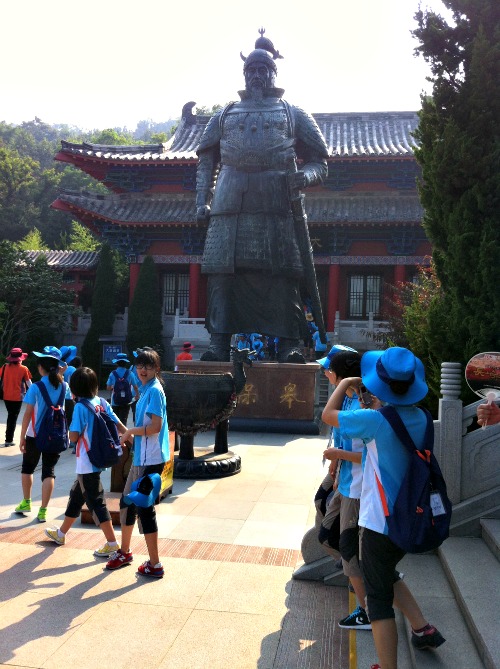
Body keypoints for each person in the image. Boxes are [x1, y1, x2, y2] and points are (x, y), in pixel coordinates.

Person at [196, 30, 328, 364]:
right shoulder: (224, 114)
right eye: (251, 70)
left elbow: (320, 161)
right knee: (223, 273)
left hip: (276, 202)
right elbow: (206, 161)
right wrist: (201, 200)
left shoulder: (292, 113)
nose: (257, 75)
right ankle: (219, 343)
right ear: (244, 74)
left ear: (273, 74)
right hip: (228, 203)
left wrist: (305, 176)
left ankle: (289, 345)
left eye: (263, 69)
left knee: (282, 274)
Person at [322, 347, 445, 669]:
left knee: (377, 600)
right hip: (414, 516)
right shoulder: (422, 417)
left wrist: (344, 383)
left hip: (381, 523)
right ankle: (422, 628)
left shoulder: (375, 421)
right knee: (384, 573)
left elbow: (328, 416)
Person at [315, 346, 372, 629]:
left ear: (340, 376)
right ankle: (365, 580)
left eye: (329, 370)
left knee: (348, 551)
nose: (325, 373)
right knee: (327, 536)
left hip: (359, 489)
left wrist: (338, 456)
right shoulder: (351, 402)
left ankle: (367, 610)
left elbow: (370, 456)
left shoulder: (362, 407)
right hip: (347, 484)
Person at [44, 366, 127, 555]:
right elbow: (117, 423)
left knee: (97, 503)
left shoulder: (80, 407)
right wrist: (130, 439)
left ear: (74, 389)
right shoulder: (101, 402)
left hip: (87, 463)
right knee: (76, 498)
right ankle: (61, 533)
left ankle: (112, 543)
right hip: (96, 459)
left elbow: (73, 436)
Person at [106, 348, 169, 578]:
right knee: (126, 503)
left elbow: (155, 427)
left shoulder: (154, 391)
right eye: (140, 366)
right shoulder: (145, 390)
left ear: (156, 368)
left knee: (144, 509)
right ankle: (125, 552)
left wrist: (130, 431)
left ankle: (155, 564)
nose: (143, 370)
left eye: (148, 366)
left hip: (151, 460)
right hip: (141, 457)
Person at [15, 346, 67, 523]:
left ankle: (26, 502)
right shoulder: (64, 386)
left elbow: (27, 414)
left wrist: (21, 437)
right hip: (56, 434)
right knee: (49, 471)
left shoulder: (36, 387)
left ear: (40, 367)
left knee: (27, 468)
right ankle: (43, 510)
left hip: (34, 435)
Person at [1, 347, 32, 447]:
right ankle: (8, 440)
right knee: (13, 418)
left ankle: (8, 439)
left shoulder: (4, 367)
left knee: (11, 416)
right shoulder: (24, 369)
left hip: (6, 396)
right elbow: (29, 383)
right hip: (18, 397)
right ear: (20, 359)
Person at [106, 352, 138, 426]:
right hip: (127, 401)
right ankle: (123, 433)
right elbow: (135, 386)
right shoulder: (130, 373)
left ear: (117, 363)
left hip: (115, 401)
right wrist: (137, 395)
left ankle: (116, 433)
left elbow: (108, 388)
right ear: (126, 363)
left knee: (115, 421)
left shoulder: (113, 373)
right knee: (123, 420)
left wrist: (114, 387)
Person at [60, 345, 78, 427]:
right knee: (69, 422)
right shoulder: (72, 369)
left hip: (58, 398)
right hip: (69, 398)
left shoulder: (55, 367)